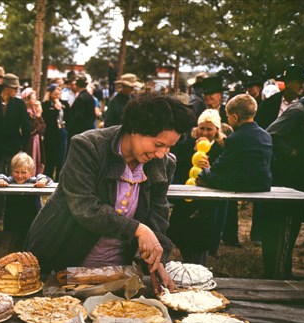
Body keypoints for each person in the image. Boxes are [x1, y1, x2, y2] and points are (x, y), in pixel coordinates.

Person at [25, 94, 196, 292]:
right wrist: (138, 229)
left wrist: (156, 260)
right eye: (158, 144)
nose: (161, 154)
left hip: (117, 272)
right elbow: (85, 207)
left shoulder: (163, 164)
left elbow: (157, 217)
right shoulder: (88, 147)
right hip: (64, 258)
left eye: (168, 147)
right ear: (134, 129)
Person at [167, 109, 228, 265]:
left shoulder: (221, 149)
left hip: (208, 205)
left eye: (209, 129)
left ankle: (199, 267)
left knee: (202, 242)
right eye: (202, 128)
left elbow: (223, 175)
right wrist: (192, 155)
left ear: (217, 130)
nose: (205, 132)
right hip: (186, 200)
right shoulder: (186, 145)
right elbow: (178, 169)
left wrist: (209, 170)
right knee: (183, 237)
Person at [259, 97, 304, 277]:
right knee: (284, 225)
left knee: (290, 226)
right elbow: (269, 133)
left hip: (296, 179)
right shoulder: (298, 111)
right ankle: (277, 273)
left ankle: (282, 270)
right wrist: (291, 152)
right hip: (287, 180)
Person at [197, 94, 272, 192]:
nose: (227, 120)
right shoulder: (266, 135)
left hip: (242, 184)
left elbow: (218, 168)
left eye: (228, 117)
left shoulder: (235, 137)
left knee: (203, 175)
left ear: (235, 118)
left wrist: (206, 171)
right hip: (263, 184)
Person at [0, 73, 31, 222]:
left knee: (16, 182)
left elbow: (27, 128)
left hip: (14, 150)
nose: (16, 90)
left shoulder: (19, 104)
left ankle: (13, 213)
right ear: (6, 88)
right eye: (14, 88)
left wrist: (20, 146)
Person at [0, 152, 52, 245]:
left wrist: (43, 181)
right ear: (12, 170)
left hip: (31, 217)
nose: (20, 176)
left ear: (30, 173)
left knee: (30, 239)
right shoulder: (10, 180)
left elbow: (47, 178)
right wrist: (0, 180)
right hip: (12, 217)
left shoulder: (33, 180)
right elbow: (0, 176)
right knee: (11, 239)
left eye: (24, 172)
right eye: (16, 172)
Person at [255, 65, 304, 129]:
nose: (302, 86)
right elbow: (260, 126)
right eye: (299, 82)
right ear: (287, 83)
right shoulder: (269, 103)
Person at [41, 84, 69, 181]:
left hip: (62, 131)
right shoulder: (45, 105)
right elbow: (47, 119)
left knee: (61, 157)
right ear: (50, 94)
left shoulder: (64, 103)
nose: (57, 96)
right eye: (55, 94)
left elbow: (69, 117)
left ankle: (59, 180)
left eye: (59, 94)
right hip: (51, 134)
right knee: (50, 158)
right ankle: (47, 178)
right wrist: (56, 110)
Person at [21, 87, 46, 175]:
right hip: (29, 140)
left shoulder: (35, 110)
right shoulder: (25, 112)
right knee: (30, 158)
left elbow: (43, 126)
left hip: (37, 139)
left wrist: (38, 115)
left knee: (38, 159)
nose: (35, 100)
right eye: (33, 97)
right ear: (27, 99)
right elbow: (31, 128)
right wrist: (38, 115)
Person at [67, 75, 96, 139]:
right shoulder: (90, 96)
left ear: (77, 86)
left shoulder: (81, 98)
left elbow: (78, 116)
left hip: (80, 130)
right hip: (88, 127)